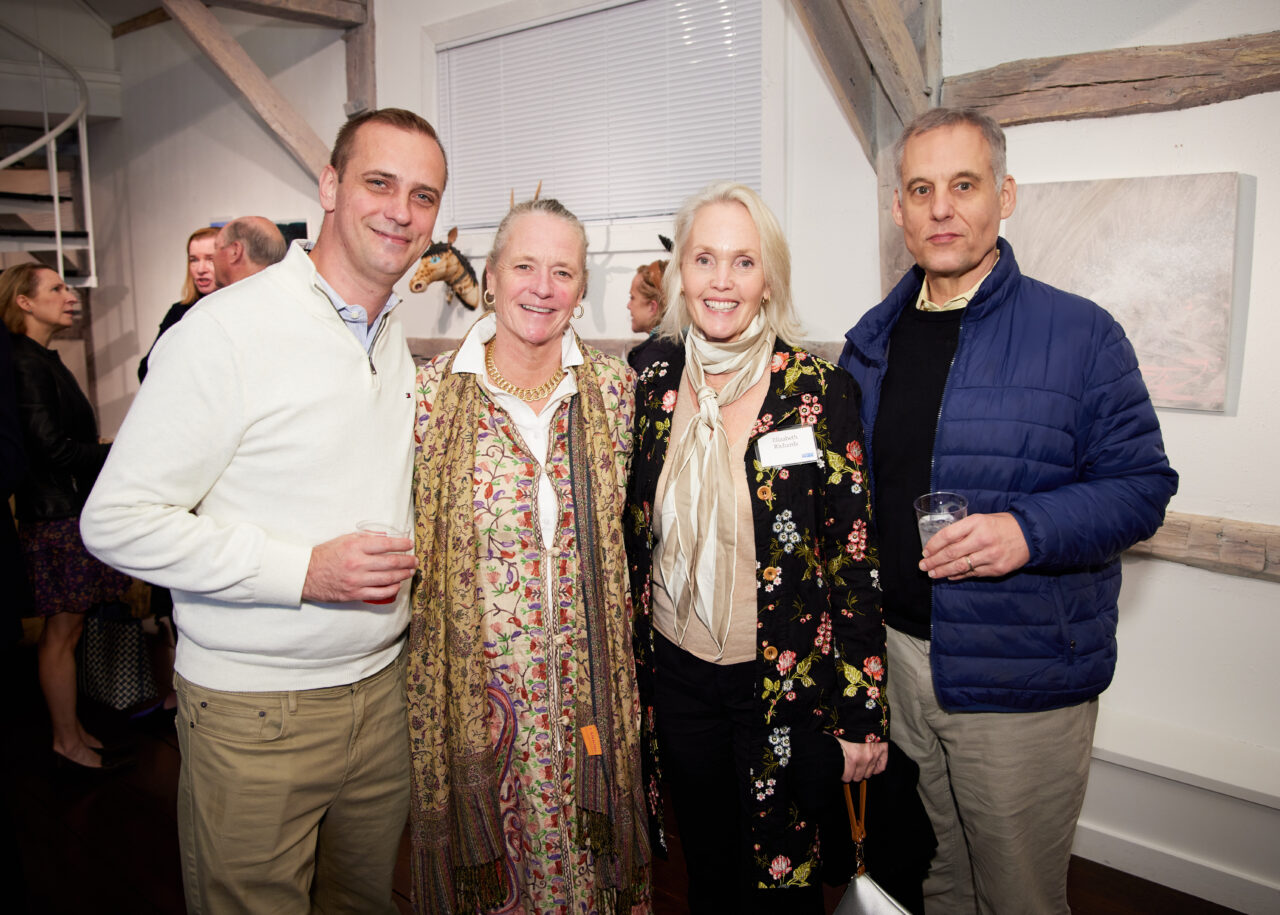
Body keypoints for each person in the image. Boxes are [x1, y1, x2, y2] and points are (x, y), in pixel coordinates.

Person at [81, 107, 448, 912]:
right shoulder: (225, 332)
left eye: (423, 195)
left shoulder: (389, 334)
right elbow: (114, 520)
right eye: (379, 182)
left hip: (381, 697)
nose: (400, 210)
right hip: (256, 710)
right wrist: (303, 571)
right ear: (329, 185)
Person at [839, 107, 1178, 915]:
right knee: (939, 881)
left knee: (1020, 893)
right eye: (920, 190)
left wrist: (1027, 531)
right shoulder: (869, 343)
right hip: (900, 666)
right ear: (898, 209)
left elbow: (1142, 485)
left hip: (1020, 675)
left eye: (964, 185)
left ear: (1006, 195)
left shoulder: (1082, 335)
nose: (941, 208)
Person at [624, 182, 888, 914]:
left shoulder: (818, 392)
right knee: (708, 870)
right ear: (681, 273)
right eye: (704, 258)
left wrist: (864, 711)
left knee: (784, 877)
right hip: (678, 677)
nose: (721, 280)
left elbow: (854, 563)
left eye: (743, 262)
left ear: (768, 277)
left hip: (780, 685)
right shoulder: (650, 385)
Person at [408, 197, 648, 914]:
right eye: (524, 266)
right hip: (483, 701)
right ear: (488, 277)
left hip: (590, 694)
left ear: (579, 292)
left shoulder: (615, 391)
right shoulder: (427, 399)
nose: (542, 287)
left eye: (563, 271)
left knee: (593, 876)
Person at [3, 263, 132, 770]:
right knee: (61, 634)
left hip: (63, 509)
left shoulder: (38, 358)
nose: (69, 294)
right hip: (55, 516)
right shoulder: (25, 362)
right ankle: (65, 741)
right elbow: (50, 450)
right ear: (24, 302)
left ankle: (74, 729)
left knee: (69, 631)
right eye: (56, 288)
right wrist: (115, 453)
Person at [137, 226, 218, 382]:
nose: (201, 269)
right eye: (193, 260)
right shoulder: (179, 312)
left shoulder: (239, 308)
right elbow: (146, 369)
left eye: (210, 259)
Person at [624, 257, 679, 373]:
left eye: (632, 298)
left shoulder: (652, 359)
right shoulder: (682, 347)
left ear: (652, 307)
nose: (628, 305)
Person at [211, 215, 288, 287]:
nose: (213, 257)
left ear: (235, 251)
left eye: (216, 247)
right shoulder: (293, 296)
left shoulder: (217, 301)